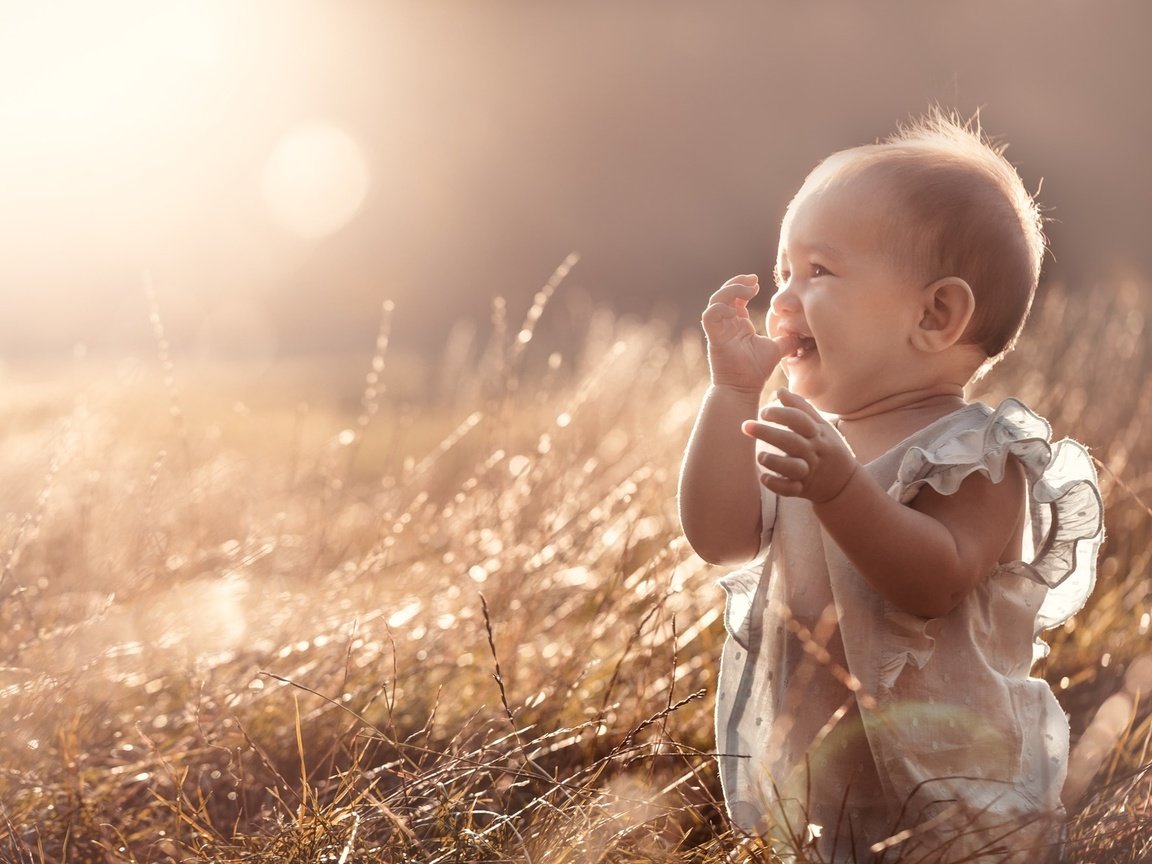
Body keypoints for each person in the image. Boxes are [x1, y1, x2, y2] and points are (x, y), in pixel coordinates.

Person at [678, 113, 1103, 862]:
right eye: (784, 271)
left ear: (935, 315)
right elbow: (718, 536)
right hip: (824, 786)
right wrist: (731, 393)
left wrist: (841, 490)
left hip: (955, 797)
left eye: (819, 272)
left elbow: (932, 581)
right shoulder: (817, 444)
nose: (784, 299)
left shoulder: (975, 455)